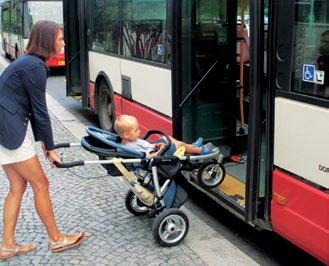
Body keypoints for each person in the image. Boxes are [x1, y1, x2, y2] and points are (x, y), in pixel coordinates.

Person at [0, 20, 85, 260]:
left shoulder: (27, 62)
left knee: (18, 187)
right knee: (41, 184)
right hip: (8, 131)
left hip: (4, 129)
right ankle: (57, 239)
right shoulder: (34, 66)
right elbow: (40, 112)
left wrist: (47, 146)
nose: (63, 43)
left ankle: (7, 245)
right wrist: (50, 147)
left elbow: (35, 110)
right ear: (48, 40)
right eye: (60, 39)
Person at [114, 114, 214, 157]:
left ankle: (192, 146)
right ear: (126, 134)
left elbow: (147, 147)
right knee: (178, 145)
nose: (139, 132)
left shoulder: (130, 141)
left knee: (166, 138)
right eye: (136, 130)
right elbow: (148, 157)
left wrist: (156, 145)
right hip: (159, 156)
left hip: (156, 149)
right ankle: (199, 150)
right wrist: (161, 149)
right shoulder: (131, 148)